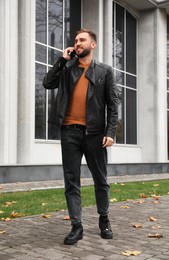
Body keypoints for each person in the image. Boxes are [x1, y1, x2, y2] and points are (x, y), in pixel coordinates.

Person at [43, 29, 118, 245]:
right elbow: (48, 83)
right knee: (71, 182)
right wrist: (61, 59)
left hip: (95, 135)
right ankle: (77, 226)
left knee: (101, 180)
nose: (77, 43)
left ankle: (104, 219)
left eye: (82, 40)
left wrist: (110, 132)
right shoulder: (67, 69)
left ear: (92, 45)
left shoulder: (105, 71)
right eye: (75, 41)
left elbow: (113, 105)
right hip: (69, 132)